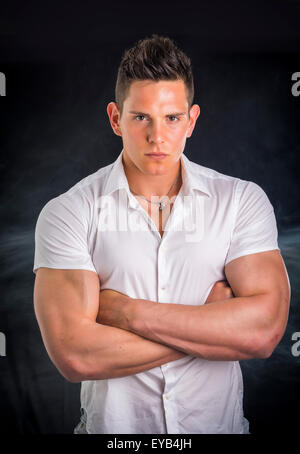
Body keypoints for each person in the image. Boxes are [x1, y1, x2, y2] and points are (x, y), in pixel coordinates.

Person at [33, 35, 290, 434]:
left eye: (172, 118)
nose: (158, 136)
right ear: (116, 118)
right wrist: (214, 327)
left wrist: (124, 313)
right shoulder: (68, 212)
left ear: (191, 120)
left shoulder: (241, 201)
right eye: (141, 118)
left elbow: (263, 333)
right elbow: (75, 355)